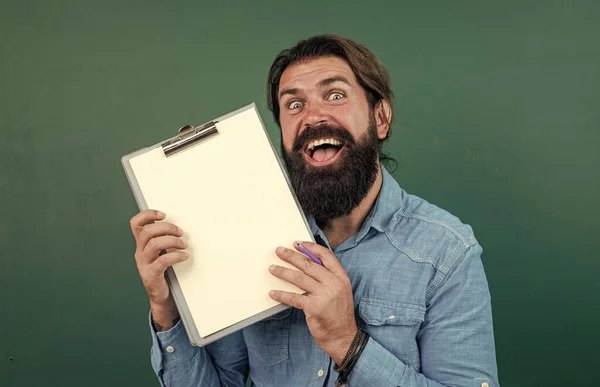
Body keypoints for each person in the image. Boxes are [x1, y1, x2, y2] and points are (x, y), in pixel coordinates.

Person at [129, 34, 499, 387]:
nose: (313, 116)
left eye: (335, 95)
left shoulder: (446, 253)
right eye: (294, 104)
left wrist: (347, 343)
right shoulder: (248, 234)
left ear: (381, 118)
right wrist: (166, 311)